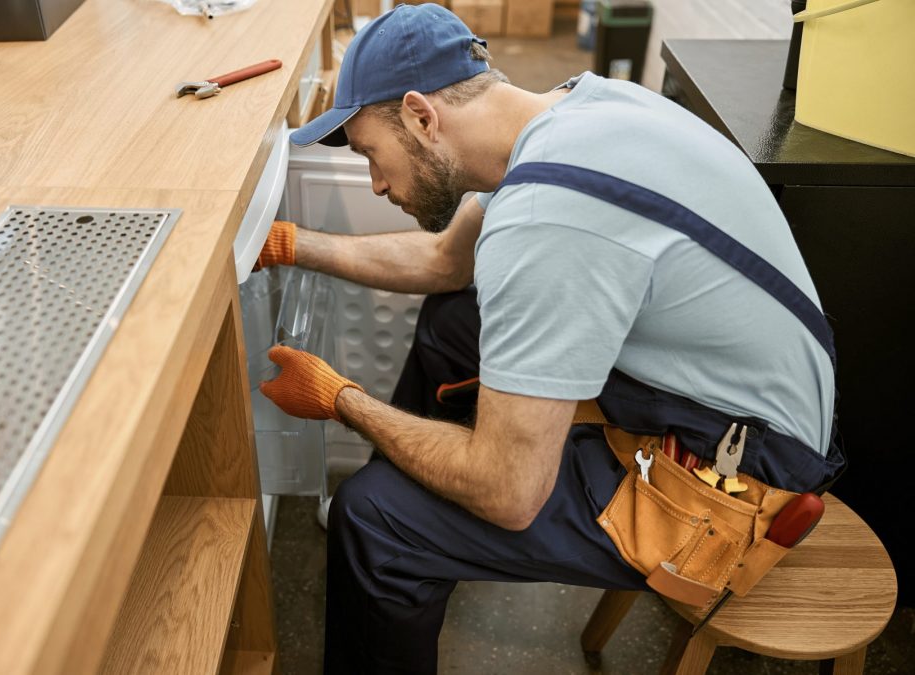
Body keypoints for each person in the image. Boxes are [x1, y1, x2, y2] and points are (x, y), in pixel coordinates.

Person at [254, 4, 845, 674]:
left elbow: (512, 493)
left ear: (422, 116)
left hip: (738, 479)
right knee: (453, 322)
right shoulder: (576, 109)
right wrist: (290, 244)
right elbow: (445, 263)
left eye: (370, 153)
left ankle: (408, 527)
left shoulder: (549, 217)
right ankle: (428, 503)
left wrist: (342, 400)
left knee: (373, 522)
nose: (377, 181)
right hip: (747, 396)